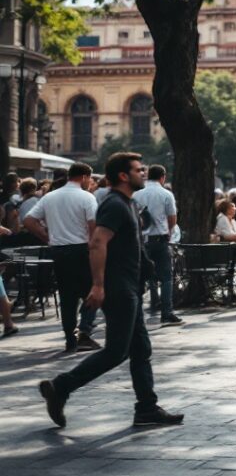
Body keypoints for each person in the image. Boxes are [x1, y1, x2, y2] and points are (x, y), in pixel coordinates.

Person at [37, 153, 184, 429]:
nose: (144, 173)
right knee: (117, 351)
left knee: (140, 348)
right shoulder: (115, 205)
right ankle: (61, 387)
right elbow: (97, 242)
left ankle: (147, 408)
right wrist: (99, 284)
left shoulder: (128, 203)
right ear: (123, 176)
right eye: (139, 170)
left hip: (130, 287)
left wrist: (146, 267)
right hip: (119, 289)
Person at [24, 162, 103, 350]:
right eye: (90, 179)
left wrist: (47, 236)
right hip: (81, 249)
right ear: (84, 177)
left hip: (59, 250)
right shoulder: (86, 197)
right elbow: (94, 226)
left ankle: (70, 337)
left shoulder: (50, 197)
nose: (90, 183)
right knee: (92, 293)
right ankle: (84, 331)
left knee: (67, 296)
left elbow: (28, 220)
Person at [131, 164, 182, 326]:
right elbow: (172, 217)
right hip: (160, 239)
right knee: (166, 277)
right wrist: (168, 230)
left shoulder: (137, 194)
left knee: (139, 277)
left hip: (141, 242)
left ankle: (137, 313)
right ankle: (166, 312)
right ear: (163, 177)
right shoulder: (166, 194)